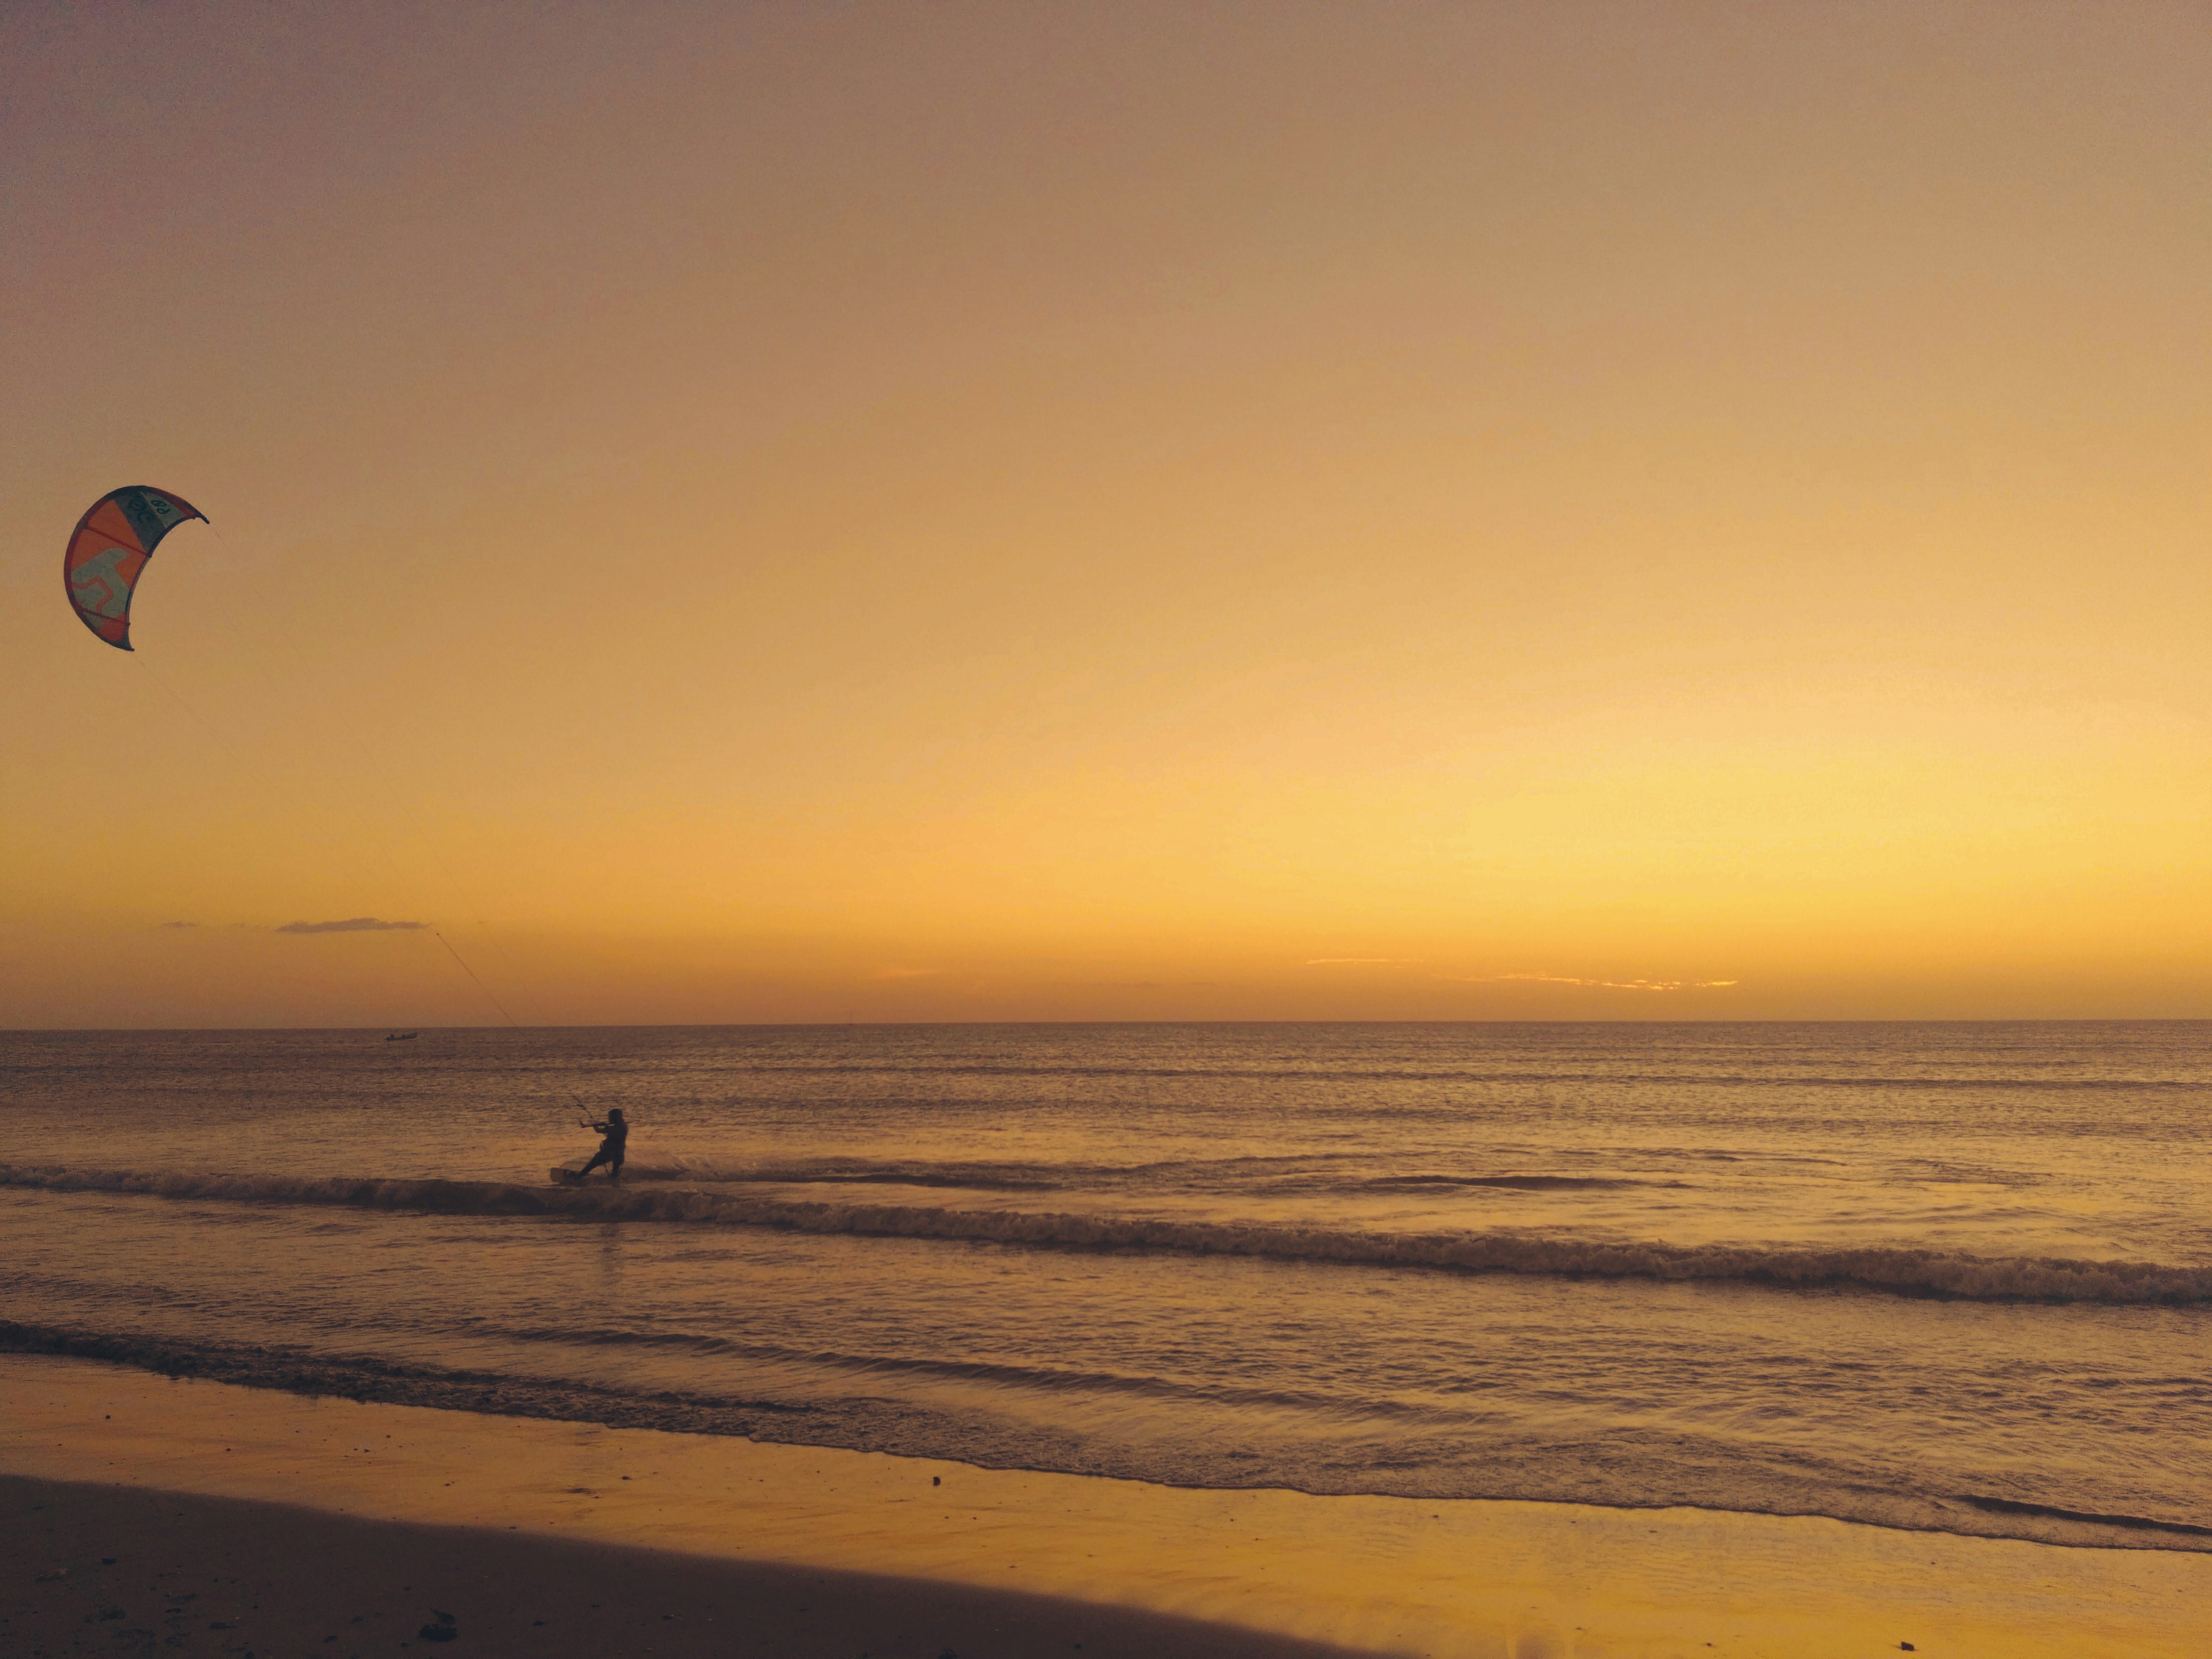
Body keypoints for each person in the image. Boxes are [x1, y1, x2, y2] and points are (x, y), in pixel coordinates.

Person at [577, 1108, 628, 1180]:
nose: (609, 1119)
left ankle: (579, 1177)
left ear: (615, 1118)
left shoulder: (615, 1128)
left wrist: (595, 1126)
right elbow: (610, 1129)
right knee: (615, 1174)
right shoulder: (624, 1126)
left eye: (610, 1117)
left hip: (609, 1154)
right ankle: (615, 1184)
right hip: (620, 1155)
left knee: (592, 1164)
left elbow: (599, 1131)